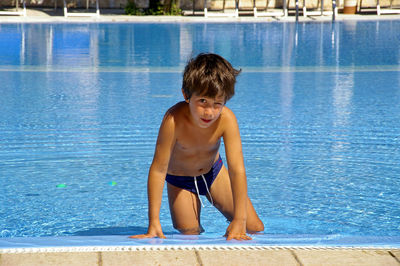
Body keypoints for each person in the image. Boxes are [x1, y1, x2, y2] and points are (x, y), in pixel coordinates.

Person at [130, 53, 264, 241]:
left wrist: (239, 219)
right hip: (180, 180)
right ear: (186, 95)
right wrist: (153, 222)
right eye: (203, 101)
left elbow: (237, 170)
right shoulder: (173, 121)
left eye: (217, 104)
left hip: (213, 173)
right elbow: (159, 169)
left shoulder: (227, 119)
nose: (209, 112)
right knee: (190, 233)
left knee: (254, 228)